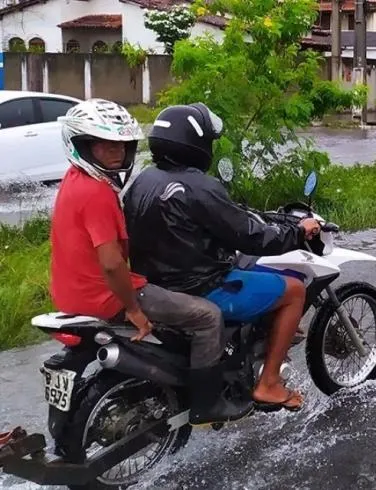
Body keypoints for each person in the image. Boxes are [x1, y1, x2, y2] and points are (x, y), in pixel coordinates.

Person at [49, 98, 251, 425]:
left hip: (70, 295)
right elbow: (113, 264)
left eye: (121, 145)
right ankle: (207, 405)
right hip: (105, 295)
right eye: (103, 146)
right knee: (207, 316)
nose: (115, 153)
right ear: (82, 146)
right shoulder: (97, 193)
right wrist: (133, 309)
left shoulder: (74, 180)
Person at [122, 103, 320, 412]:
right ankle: (269, 384)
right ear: (195, 143)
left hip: (158, 285)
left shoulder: (143, 181)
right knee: (294, 290)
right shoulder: (199, 185)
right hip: (201, 286)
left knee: (252, 269)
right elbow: (251, 236)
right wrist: (296, 232)